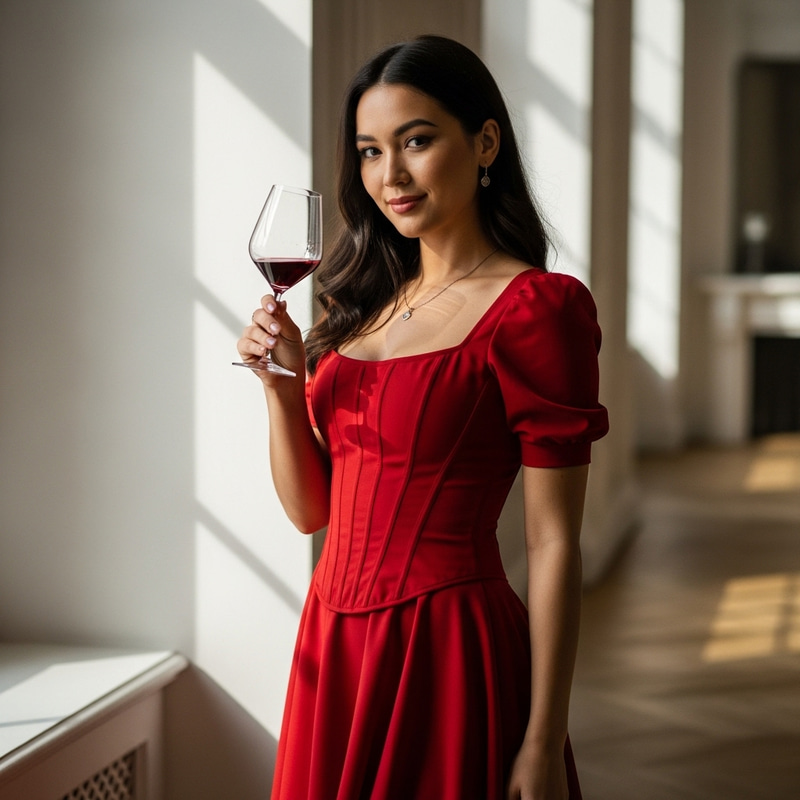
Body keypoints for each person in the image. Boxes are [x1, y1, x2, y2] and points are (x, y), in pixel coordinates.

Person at [236, 34, 608, 800]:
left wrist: (541, 741)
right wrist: (281, 385)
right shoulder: (362, 307)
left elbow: (553, 539)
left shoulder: (537, 310)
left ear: (484, 143)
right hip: (332, 647)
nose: (390, 175)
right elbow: (313, 512)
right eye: (370, 151)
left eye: (416, 141)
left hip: (446, 653)